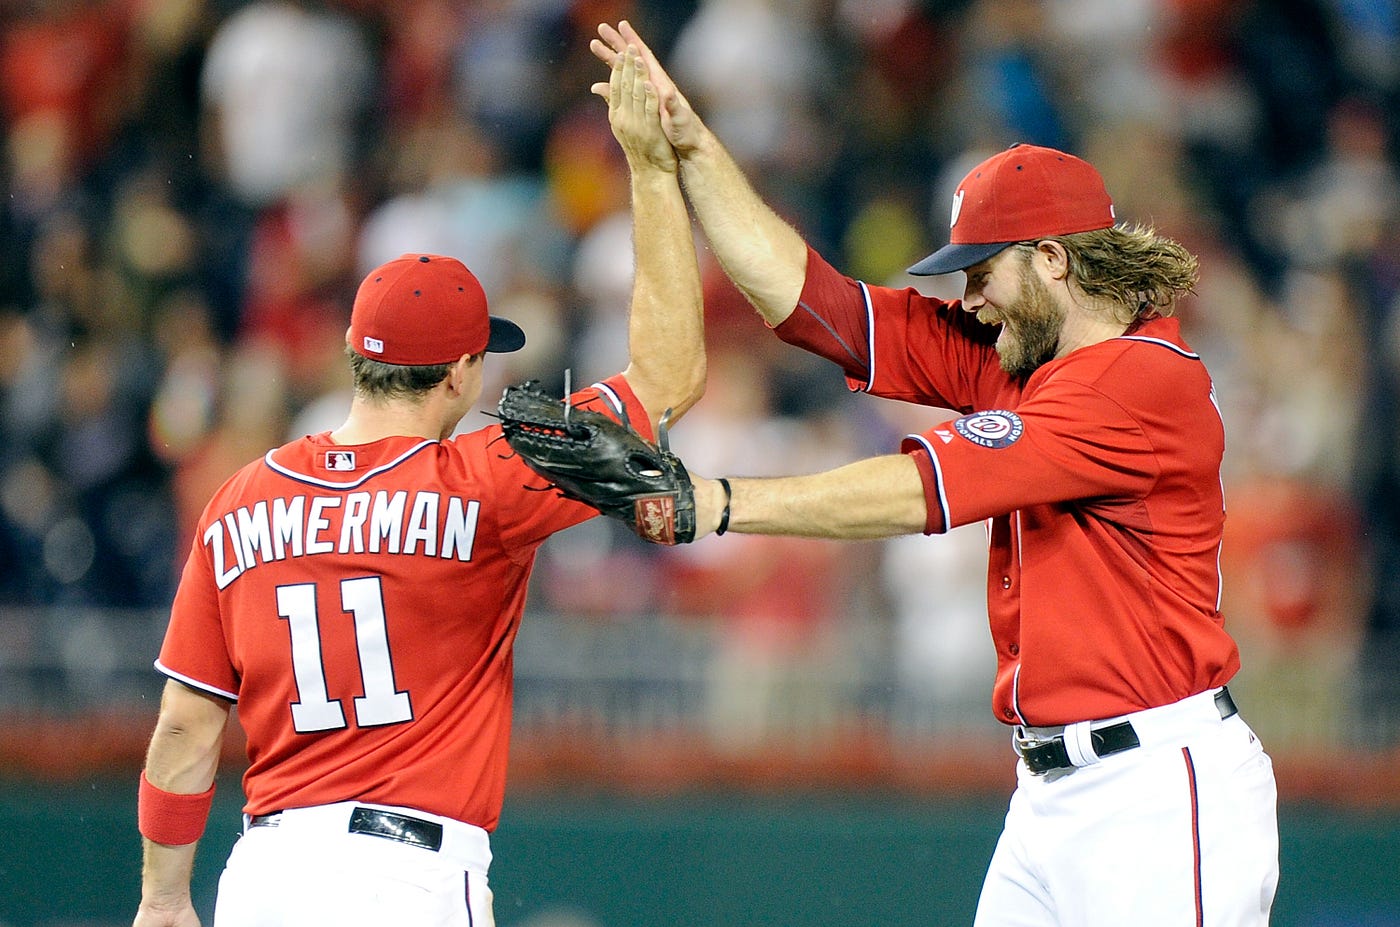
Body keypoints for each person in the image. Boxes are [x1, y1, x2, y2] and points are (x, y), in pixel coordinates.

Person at [590, 22, 1279, 927]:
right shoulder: (1026, 354)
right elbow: (815, 308)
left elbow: (920, 490)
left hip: (1155, 791)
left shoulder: (1135, 384)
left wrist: (714, 504)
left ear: (1053, 260)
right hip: (1051, 794)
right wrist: (690, 143)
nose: (970, 298)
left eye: (982, 271)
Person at [132, 47, 702, 927]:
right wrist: (653, 173)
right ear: (462, 375)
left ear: (358, 359)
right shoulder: (489, 474)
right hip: (405, 872)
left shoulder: (242, 497)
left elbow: (183, 727)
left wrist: (165, 899)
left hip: (264, 872)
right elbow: (668, 376)